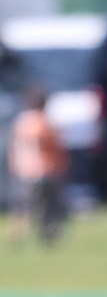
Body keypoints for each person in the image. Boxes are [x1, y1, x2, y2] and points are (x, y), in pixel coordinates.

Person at [7, 86, 69, 246]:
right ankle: (48, 237)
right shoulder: (47, 123)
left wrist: (16, 167)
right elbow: (59, 148)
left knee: (23, 208)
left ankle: (17, 238)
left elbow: (14, 149)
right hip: (47, 171)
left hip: (26, 172)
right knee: (49, 208)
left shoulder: (21, 123)